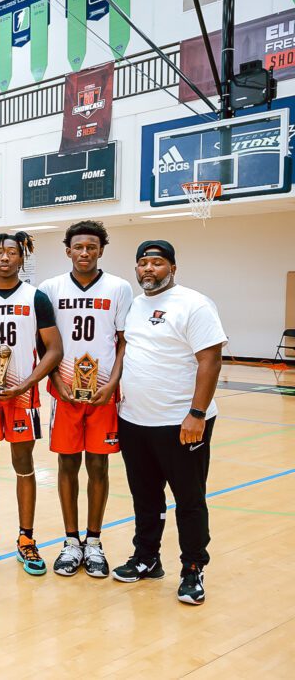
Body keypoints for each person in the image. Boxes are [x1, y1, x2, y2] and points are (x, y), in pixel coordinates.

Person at [113, 240, 225, 606]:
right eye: (143, 262)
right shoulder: (134, 305)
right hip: (134, 421)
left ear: (172, 268)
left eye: (157, 263)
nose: (148, 269)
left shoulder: (194, 304)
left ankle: (193, 568)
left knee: (189, 500)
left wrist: (196, 414)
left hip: (181, 423)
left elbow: (210, 361)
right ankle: (147, 557)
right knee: (145, 497)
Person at [0, 232, 63, 576]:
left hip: (23, 397)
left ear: (22, 258)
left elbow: (54, 349)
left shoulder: (37, 299)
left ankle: (27, 539)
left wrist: (28, 383)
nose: (5, 257)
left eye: (12, 252)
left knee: (23, 464)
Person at [39, 221, 132, 578]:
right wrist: (53, 379)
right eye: (78, 247)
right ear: (68, 251)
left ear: (101, 251)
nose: (84, 253)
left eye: (91, 247)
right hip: (63, 390)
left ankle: (93, 542)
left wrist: (113, 384)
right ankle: (70, 541)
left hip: (104, 392)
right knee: (66, 465)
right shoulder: (50, 288)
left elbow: (124, 341)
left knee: (98, 466)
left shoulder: (119, 288)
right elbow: (42, 341)